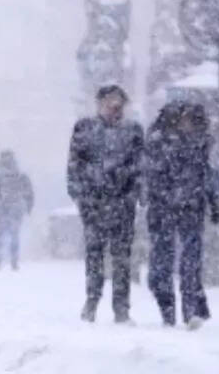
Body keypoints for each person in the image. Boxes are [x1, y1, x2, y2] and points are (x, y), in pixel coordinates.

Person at [142, 102, 219, 329]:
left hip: (190, 208)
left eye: (192, 120)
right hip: (164, 210)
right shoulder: (158, 143)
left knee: (190, 265)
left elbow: (207, 175)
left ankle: (190, 312)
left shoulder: (199, 144)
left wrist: (214, 201)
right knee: (162, 266)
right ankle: (169, 312)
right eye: (184, 120)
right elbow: (149, 175)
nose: (188, 125)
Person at [67, 84, 144, 324]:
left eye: (118, 101)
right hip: (94, 205)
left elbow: (140, 166)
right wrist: (81, 196)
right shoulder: (84, 128)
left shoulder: (133, 131)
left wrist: (134, 194)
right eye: (109, 101)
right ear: (99, 104)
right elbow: (74, 166)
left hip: (122, 205)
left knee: (122, 258)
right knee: (95, 256)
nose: (114, 106)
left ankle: (121, 308)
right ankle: (92, 301)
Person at [0, 150, 34, 271]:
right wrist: (29, 207)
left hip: (0, 208)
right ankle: (14, 261)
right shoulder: (20, 175)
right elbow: (29, 193)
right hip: (16, 209)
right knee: (14, 236)